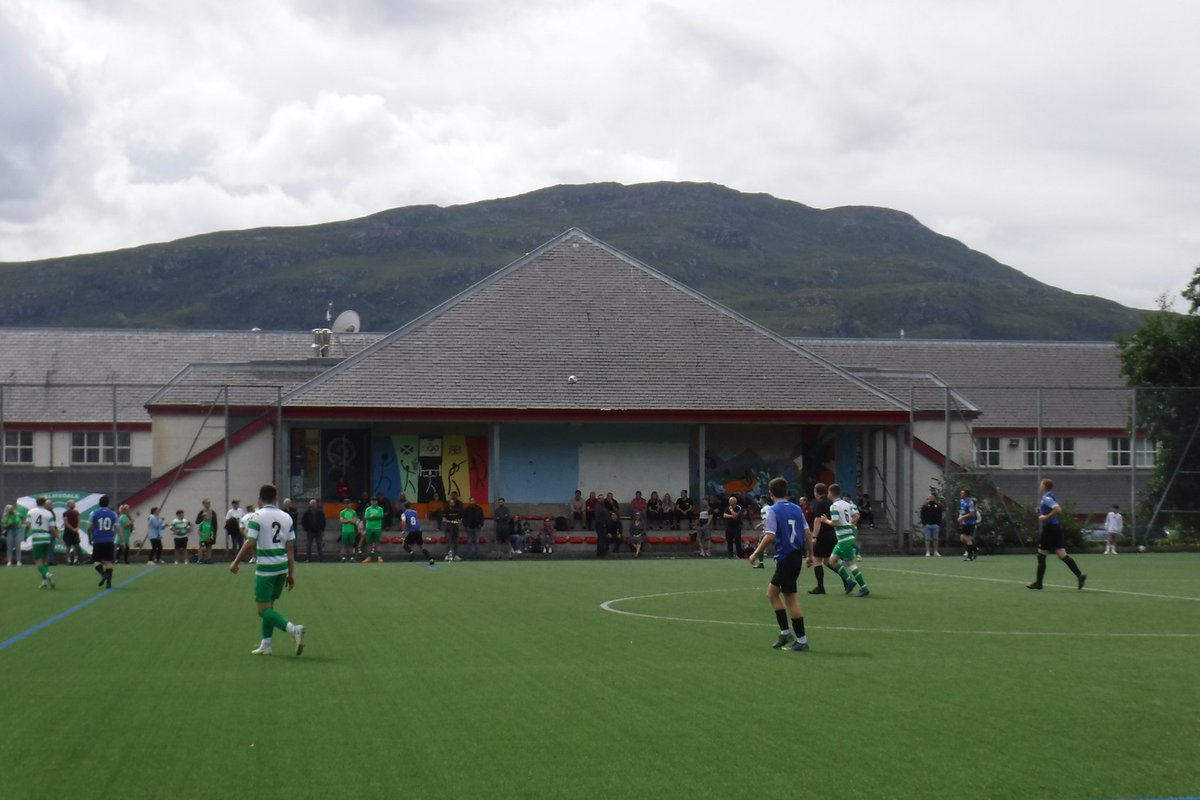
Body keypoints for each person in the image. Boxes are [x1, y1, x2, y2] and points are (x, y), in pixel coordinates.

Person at [229, 483, 305, 656]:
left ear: (260, 499)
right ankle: (266, 644)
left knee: (263, 610)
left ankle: (294, 630)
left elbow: (250, 542)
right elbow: (290, 546)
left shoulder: (257, 516)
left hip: (266, 568)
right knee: (270, 606)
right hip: (282, 566)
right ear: (276, 497)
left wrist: (236, 561)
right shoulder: (286, 517)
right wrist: (292, 573)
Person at [746, 476, 812, 652]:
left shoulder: (773, 510)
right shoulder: (797, 509)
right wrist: (810, 555)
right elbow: (807, 533)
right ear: (786, 491)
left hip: (786, 557)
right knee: (772, 593)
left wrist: (754, 554)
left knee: (790, 598)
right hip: (795, 555)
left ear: (770, 493)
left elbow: (769, 536)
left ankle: (801, 639)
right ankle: (785, 632)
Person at [1027, 478, 1087, 591]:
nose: (1039, 487)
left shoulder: (1047, 497)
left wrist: (1045, 516)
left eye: (1041, 485)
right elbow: (1052, 508)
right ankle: (1080, 575)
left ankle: (1039, 583)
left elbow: (1058, 509)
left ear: (1044, 486)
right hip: (1055, 528)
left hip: (1049, 529)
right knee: (1062, 554)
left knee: (1041, 554)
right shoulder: (1049, 496)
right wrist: (1041, 511)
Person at [826, 483, 870, 597]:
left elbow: (834, 523)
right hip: (844, 538)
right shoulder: (847, 504)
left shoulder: (834, 506)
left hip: (844, 539)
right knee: (831, 561)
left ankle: (864, 587)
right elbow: (856, 515)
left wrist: (825, 521)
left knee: (850, 564)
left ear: (831, 493)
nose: (828, 495)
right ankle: (849, 581)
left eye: (828, 492)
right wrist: (850, 524)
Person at [807, 484, 836, 594]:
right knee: (828, 561)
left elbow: (817, 520)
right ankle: (846, 579)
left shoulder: (818, 503)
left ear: (816, 492)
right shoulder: (830, 502)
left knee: (817, 560)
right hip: (832, 533)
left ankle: (820, 587)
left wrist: (814, 536)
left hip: (822, 534)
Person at [24, 497, 57, 588]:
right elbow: (52, 528)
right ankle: (44, 582)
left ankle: (47, 574)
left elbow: (27, 525)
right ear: (44, 503)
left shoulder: (31, 512)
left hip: (37, 538)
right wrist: (60, 538)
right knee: (45, 560)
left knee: (37, 560)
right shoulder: (49, 513)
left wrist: (25, 535)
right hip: (47, 538)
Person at [88, 495, 119, 589]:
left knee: (95, 560)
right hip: (109, 540)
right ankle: (109, 583)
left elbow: (89, 527)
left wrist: (90, 537)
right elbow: (117, 528)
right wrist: (121, 539)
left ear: (99, 503)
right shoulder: (113, 514)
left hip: (98, 540)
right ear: (108, 503)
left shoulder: (94, 513)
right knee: (109, 561)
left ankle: (103, 574)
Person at [957, 488, 979, 561]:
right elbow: (962, 511)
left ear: (966, 494)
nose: (961, 494)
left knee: (968, 539)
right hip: (964, 522)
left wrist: (962, 517)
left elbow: (971, 513)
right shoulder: (961, 501)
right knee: (962, 539)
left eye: (962, 493)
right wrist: (960, 517)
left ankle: (969, 556)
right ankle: (975, 549)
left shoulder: (970, 502)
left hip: (970, 522)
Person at [361, 495, 385, 563]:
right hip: (369, 528)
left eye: (375, 501)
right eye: (372, 501)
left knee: (377, 543)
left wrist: (373, 516)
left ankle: (379, 557)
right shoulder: (368, 509)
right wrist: (374, 517)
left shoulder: (380, 509)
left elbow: (380, 516)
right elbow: (367, 517)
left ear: (377, 502)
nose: (374, 502)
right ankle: (369, 558)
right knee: (369, 543)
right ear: (371, 502)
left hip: (377, 528)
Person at [443, 492, 463, 561]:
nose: (451, 504)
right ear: (449, 504)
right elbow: (444, 519)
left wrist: (458, 522)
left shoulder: (457, 510)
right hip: (448, 528)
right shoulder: (446, 510)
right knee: (448, 542)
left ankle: (456, 555)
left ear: (454, 504)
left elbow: (460, 519)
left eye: (452, 503)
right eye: (450, 503)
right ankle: (446, 555)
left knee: (456, 542)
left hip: (456, 528)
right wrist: (451, 521)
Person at [62, 500, 82, 565]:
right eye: (71, 504)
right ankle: (68, 560)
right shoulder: (65, 513)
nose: (73, 505)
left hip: (75, 532)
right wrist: (73, 529)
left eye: (74, 503)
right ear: (68, 505)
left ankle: (76, 559)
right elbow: (66, 523)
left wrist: (77, 528)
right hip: (68, 532)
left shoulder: (76, 512)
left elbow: (79, 520)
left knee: (76, 545)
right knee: (68, 546)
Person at [723, 493, 743, 559]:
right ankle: (730, 555)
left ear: (734, 502)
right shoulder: (727, 508)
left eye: (730, 501)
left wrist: (731, 511)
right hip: (729, 527)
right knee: (729, 541)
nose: (729, 502)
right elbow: (724, 515)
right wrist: (732, 516)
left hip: (736, 527)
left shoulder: (738, 508)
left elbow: (736, 516)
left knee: (738, 541)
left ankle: (740, 555)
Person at [337, 498, 358, 563]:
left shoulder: (353, 512)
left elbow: (354, 521)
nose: (347, 505)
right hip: (344, 530)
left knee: (351, 545)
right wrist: (349, 520)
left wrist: (346, 520)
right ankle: (343, 558)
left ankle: (352, 558)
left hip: (352, 530)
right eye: (346, 504)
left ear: (350, 504)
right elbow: (341, 520)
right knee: (344, 545)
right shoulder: (342, 512)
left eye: (348, 504)